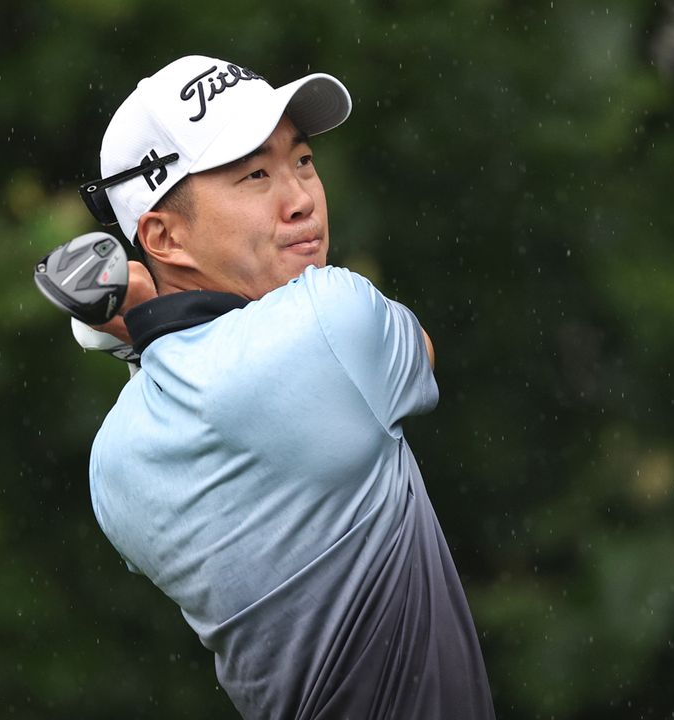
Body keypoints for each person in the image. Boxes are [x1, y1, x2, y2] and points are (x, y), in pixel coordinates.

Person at [80, 55, 495, 719]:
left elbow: (196, 393)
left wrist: (142, 336)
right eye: (254, 175)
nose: (300, 197)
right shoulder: (329, 319)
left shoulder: (114, 465)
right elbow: (420, 349)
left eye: (301, 160)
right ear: (163, 234)